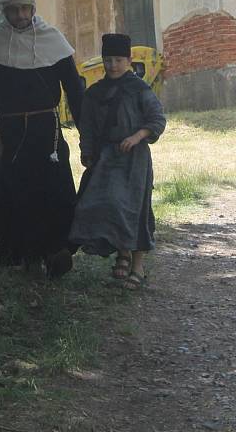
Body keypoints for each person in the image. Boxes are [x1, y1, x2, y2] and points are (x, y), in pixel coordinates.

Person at [0, 0, 84, 276]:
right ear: (5, 12)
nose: (20, 15)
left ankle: (56, 252)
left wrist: (87, 130)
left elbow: (74, 88)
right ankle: (25, 256)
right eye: (14, 10)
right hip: (10, 132)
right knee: (18, 194)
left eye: (25, 9)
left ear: (33, 8)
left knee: (54, 190)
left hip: (48, 131)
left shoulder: (53, 40)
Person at [69, 33, 166, 291]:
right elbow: (87, 127)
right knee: (106, 205)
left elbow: (157, 119)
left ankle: (137, 267)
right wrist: (87, 152)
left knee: (134, 209)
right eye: (108, 60)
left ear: (129, 60)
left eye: (118, 60)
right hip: (105, 158)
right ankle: (120, 253)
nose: (113, 65)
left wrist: (137, 136)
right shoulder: (94, 93)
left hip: (134, 159)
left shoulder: (139, 89)